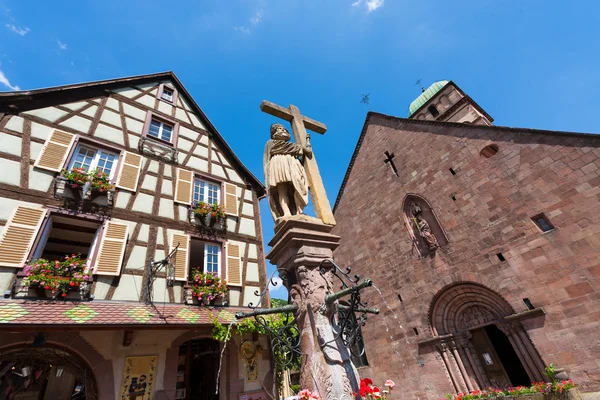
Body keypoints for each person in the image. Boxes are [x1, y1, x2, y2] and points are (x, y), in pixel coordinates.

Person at [264, 123, 312, 221]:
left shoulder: (294, 146)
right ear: (274, 133)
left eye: (284, 129)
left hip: (293, 166)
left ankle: (299, 211)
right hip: (278, 166)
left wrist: (307, 141)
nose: (282, 130)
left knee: (297, 187)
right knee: (282, 191)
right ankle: (287, 213)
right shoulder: (270, 143)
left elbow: (307, 151)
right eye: (279, 129)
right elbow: (268, 157)